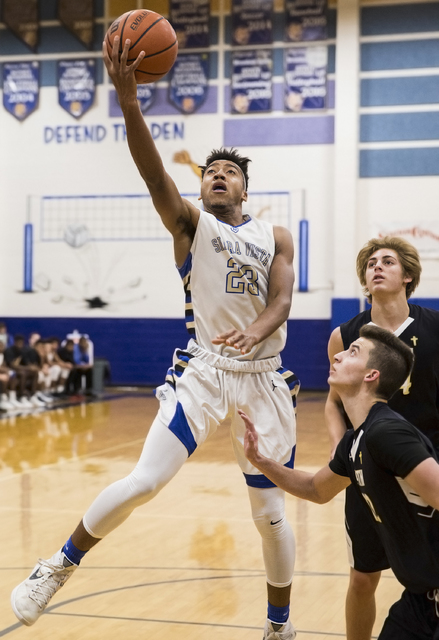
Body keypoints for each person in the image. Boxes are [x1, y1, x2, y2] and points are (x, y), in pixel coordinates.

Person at [11, 35, 300, 640]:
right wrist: (129, 102)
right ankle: (57, 565)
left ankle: (278, 626)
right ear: (201, 192)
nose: (218, 177)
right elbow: (151, 173)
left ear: (245, 189)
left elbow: (281, 301)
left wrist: (258, 330)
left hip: (264, 377)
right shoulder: (190, 226)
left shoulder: (276, 235)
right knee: (144, 480)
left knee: (270, 513)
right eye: (211, 173)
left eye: (230, 173)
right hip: (204, 369)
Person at [243, 323, 439, 639]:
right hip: (419, 599)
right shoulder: (355, 440)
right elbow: (316, 489)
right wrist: (261, 462)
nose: (337, 356)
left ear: (371, 375)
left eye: (352, 352)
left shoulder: (388, 434)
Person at [325, 236, 439, 640]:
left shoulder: (434, 327)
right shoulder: (346, 334)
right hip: (370, 467)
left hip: (426, 464)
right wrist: (345, 448)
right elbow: (333, 403)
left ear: (407, 275)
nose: (377, 267)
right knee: (361, 577)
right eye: (371, 262)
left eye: (387, 261)